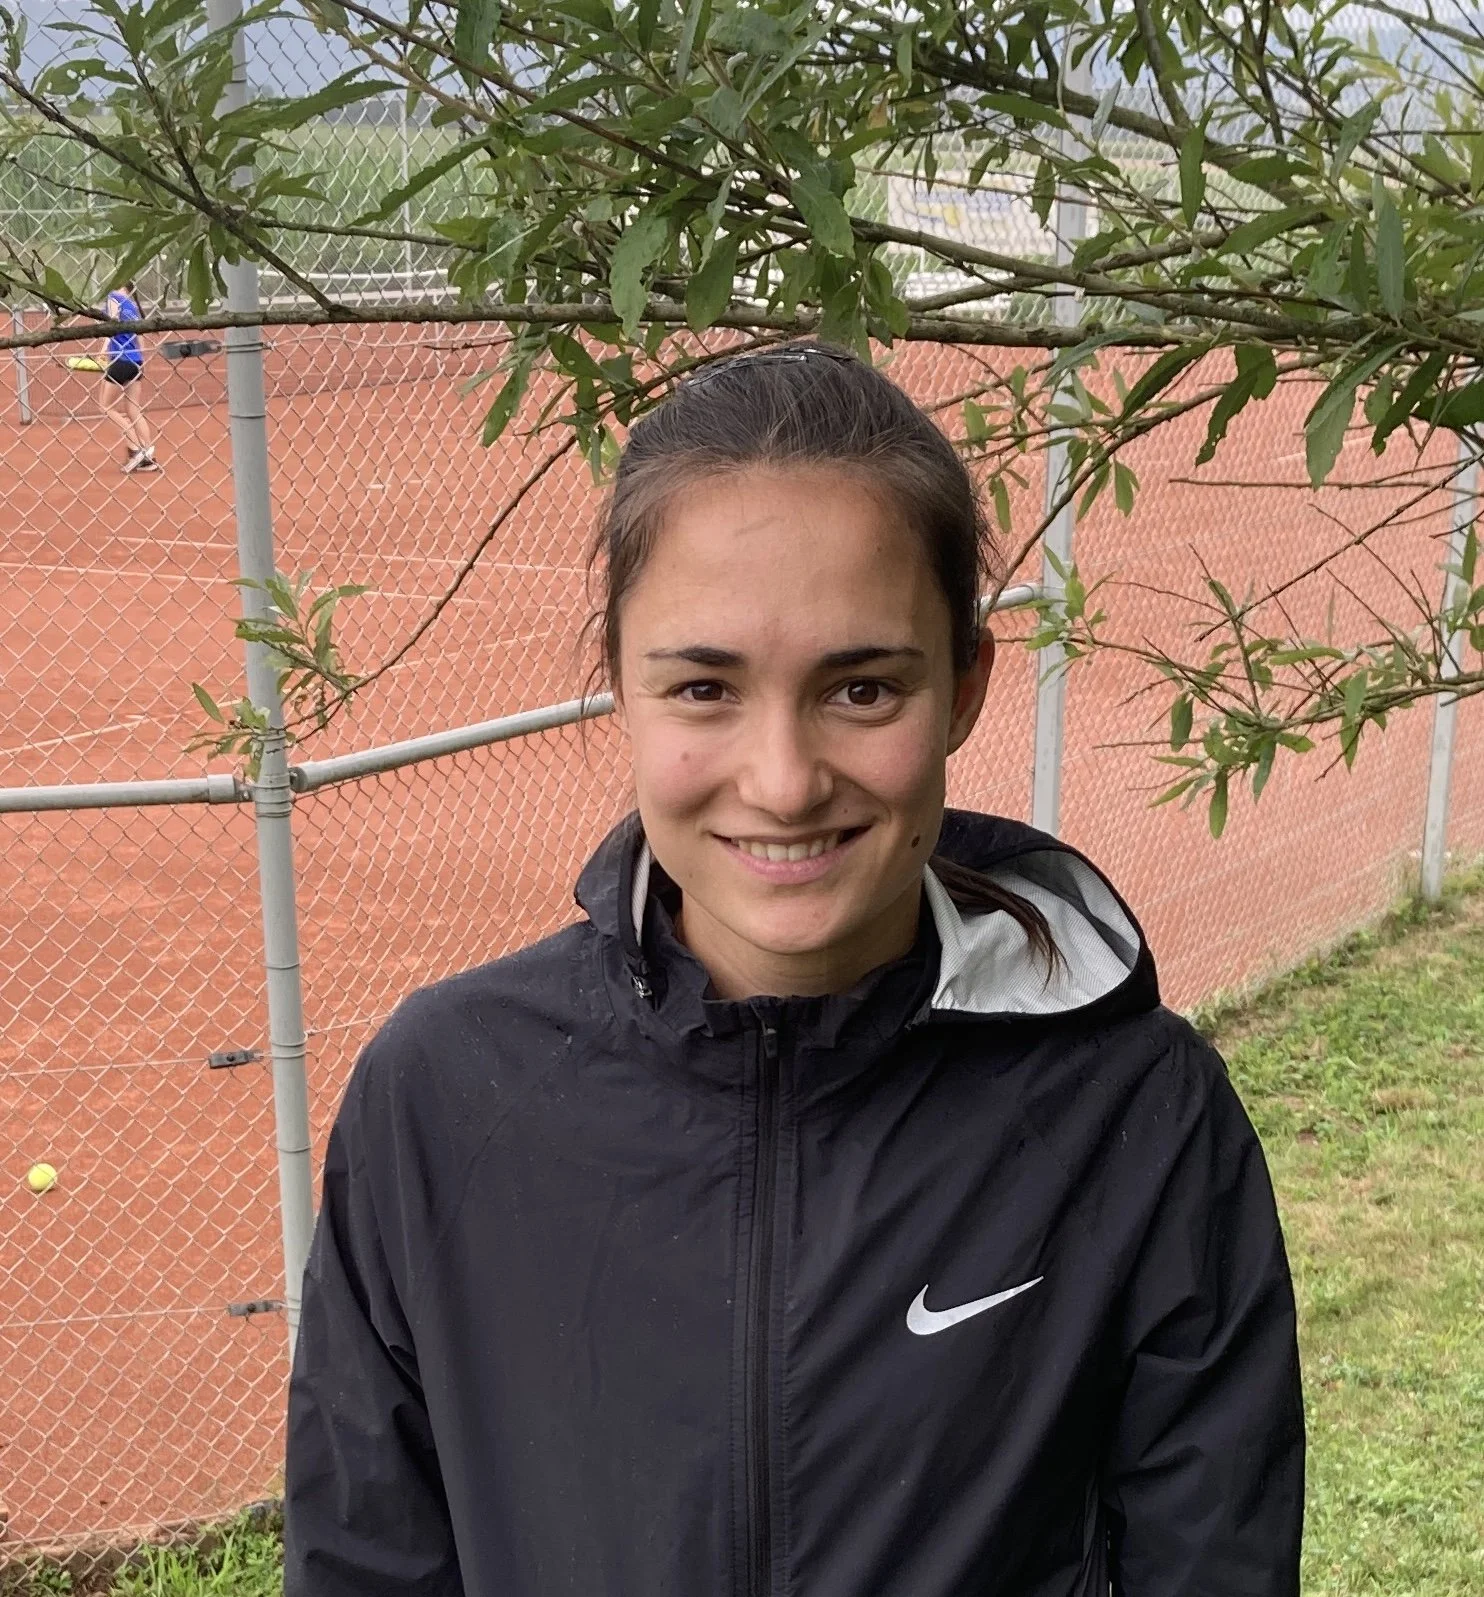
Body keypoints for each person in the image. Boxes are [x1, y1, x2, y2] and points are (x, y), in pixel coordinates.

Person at [283, 343, 1304, 1596]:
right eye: (704, 686)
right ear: (619, 683)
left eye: (861, 687)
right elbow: (363, 1562)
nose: (780, 780)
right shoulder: (440, 1100)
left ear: (965, 687)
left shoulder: (1135, 1116)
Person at [100, 281, 158, 472]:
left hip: (120, 360)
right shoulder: (132, 306)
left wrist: (102, 352)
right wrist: (140, 362)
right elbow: (139, 337)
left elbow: (111, 325)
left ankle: (134, 448)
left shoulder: (113, 298)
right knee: (133, 408)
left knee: (106, 406)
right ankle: (148, 453)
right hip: (136, 361)